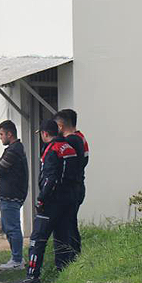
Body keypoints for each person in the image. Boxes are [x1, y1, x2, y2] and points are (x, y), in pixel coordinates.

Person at [16, 119, 78, 283]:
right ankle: (63, 272)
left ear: (45, 133)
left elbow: (51, 178)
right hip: (68, 200)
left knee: (37, 239)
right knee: (62, 238)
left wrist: (41, 198)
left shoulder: (52, 150)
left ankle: (32, 275)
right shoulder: (68, 147)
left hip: (52, 202)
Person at [0, 120, 29, 270]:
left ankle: (17, 260)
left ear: (9, 134)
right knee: (8, 227)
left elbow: (0, 167)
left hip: (11, 195)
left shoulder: (14, 150)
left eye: (2, 134)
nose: (0, 137)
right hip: (10, 195)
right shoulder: (14, 148)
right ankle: (15, 258)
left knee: (12, 228)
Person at [53, 109, 89, 257]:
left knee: (67, 225)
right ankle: (74, 255)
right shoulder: (81, 138)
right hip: (79, 186)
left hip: (72, 188)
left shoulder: (72, 141)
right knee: (71, 223)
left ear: (60, 126)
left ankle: (70, 257)